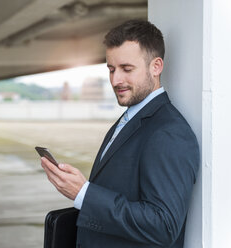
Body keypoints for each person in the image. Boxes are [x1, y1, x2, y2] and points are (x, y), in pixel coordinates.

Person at [41, 19, 199, 248]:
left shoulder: (169, 132)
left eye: (127, 69)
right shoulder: (130, 118)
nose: (116, 80)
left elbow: (164, 225)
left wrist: (84, 194)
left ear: (156, 67)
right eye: (111, 69)